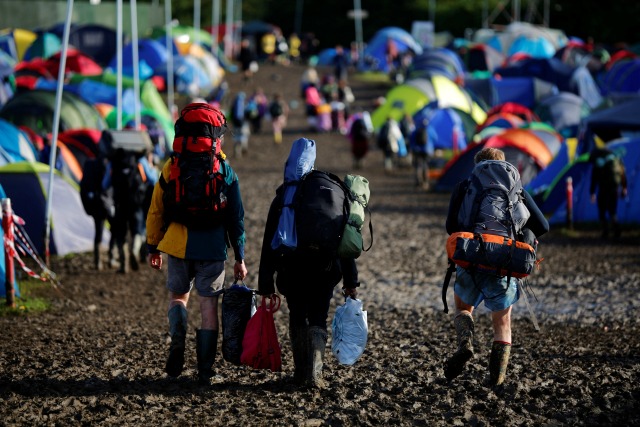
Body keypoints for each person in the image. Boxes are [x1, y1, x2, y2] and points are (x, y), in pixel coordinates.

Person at [146, 105, 248, 384]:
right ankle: (205, 370)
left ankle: (177, 342)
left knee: (178, 297)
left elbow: (156, 208)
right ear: (216, 138)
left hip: (178, 245)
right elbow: (236, 217)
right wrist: (240, 256)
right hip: (213, 249)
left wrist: (153, 247)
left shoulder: (172, 166)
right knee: (207, 308)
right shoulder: (225, 170)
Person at [258, 141, 360, 389]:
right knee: (318, 316)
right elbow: (344, 241)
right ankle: (315, 372)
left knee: (297, 314)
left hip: (291, 267)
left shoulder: (284, 195)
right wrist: (350, 281)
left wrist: (265, 281)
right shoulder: (332, 190)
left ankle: (300, 372)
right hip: (325, 267)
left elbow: (269, 240)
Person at [444, 147, 549, 387]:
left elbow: (451, 226)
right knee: (502, 323)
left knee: (463, 308)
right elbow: (543, 224)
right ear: (504, 165)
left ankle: (466, 345)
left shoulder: (465, 185)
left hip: (472, 257)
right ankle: (496, 379)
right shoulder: (516, 187)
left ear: (477, 165)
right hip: (505, 259)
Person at [589, 147, 628, 239]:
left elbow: (594, 179)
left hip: (603, 188)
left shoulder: (598, 160)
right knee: (612, 210)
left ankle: (605, 231)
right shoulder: (616, 158)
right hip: (614, 187)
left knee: (602, 210)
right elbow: (622, 173)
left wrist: (592, 192)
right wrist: (624, 187)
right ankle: (616, 229)